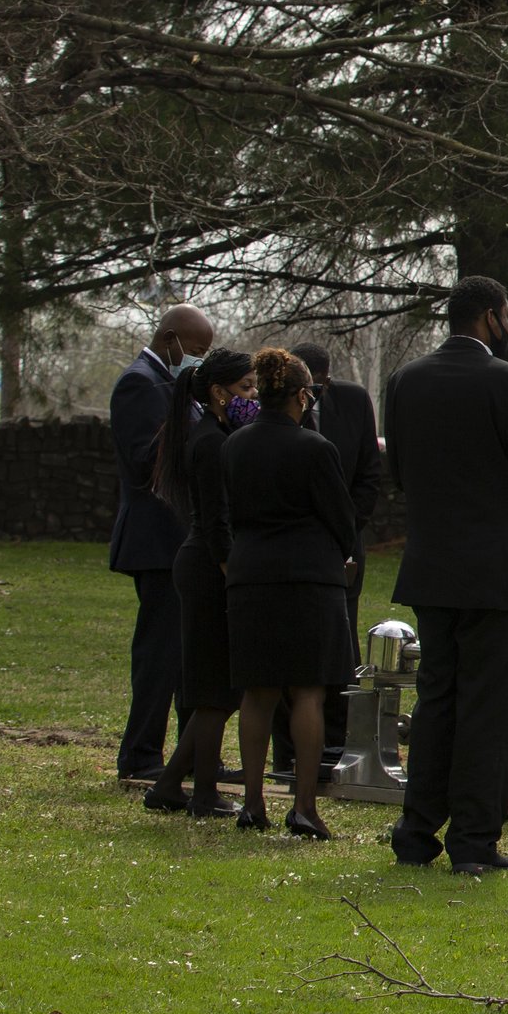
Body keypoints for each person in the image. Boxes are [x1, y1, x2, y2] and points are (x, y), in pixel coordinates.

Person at [385, 276, 508, 874]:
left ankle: (416, 830)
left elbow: (400, 472)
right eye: (506, 314)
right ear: (490, 317)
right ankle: (474, 839)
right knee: (488, 707)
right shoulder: (507, 383)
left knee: (437, 699)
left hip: (433, 565)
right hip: (496, 569)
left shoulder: (405, 381)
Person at [220, 347, 358, 840]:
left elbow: (231, 512)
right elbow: (341, 519)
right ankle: (303, 807)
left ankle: (252, 803)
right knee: (307, 692)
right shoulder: (315, 449)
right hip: (308, 576)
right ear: (302, 396)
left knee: (257, 692)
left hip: (252, 572)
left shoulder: (235, 445)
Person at [143, 348, 256, 818]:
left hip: (208, 563)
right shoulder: (211, 441)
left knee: (219, 690)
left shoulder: (221, 434)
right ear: (217, 393)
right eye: (245, 388)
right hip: (210, 568)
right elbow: (215, 520)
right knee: (214, 690)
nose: (252, 396)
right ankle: (200, 790)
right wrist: (232, 574)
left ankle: (172, 785)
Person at [108, 302, 217, 781]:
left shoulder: (175, 386)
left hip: (182, 538)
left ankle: (189, 755)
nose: (197, 359)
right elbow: (145, 460)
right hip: (157, 539)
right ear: (169, 338)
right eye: (195, 351)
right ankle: (141, 756)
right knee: (159, 652)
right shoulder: (140, 383)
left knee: (186, 653)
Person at [278, 342, 384, 774]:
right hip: (294, 545)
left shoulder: (354, 401)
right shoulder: (278, 416)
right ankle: (288, 748)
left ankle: (338, 741)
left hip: (342, 543)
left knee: (342, 643)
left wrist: (346, 527)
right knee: (289, 648)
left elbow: (367, 474)